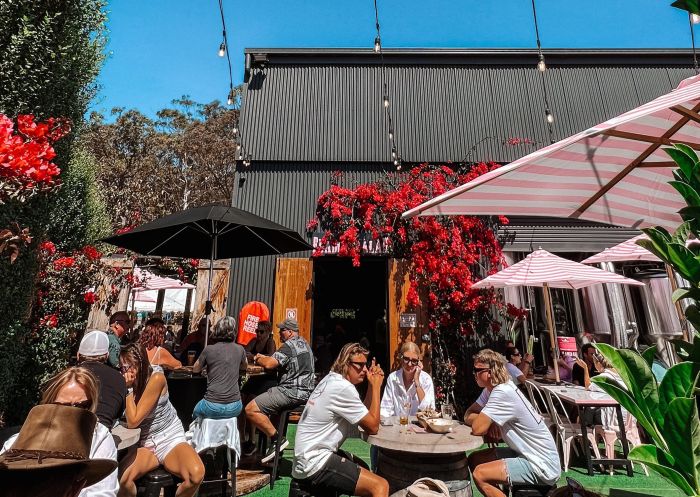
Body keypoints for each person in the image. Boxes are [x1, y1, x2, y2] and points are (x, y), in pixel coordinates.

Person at [2, 367, 119, 497]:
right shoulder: (23, 438)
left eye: (82, 406)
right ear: (49, 403)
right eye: (63, 406)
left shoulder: (99, 436)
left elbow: (103, 492)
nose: (72, 412)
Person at [291, 343, 389, 497]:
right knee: (380, 486)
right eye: (360, 365)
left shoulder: (331, 379)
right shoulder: (343, 388)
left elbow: (365, 415)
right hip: (315, 461)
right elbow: (373, 427)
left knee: (362, 466)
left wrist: (371, 385)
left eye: (366, 364)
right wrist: (377, 387)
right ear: (345, 364)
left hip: (305, 459)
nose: (365, 369)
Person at [465, 349, 560, 497]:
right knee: (475, 459)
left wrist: (489, 421)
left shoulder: (502, 392)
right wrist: (492, 421)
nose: (474, 373)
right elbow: (468, 414)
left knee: (480, 474)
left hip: (541, 464)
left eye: (477, 370)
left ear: (490, 372)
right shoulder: (491, 389)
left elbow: (478, 429)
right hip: (524, 452)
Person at [118, 343, 204, 497]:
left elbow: (133, 421)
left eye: (129, 366)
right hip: (145, 442)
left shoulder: (156, 378)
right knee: (123, 480)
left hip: (169, 437)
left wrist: (128, 389)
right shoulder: (126, 381)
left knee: (196, 475)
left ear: (142, 364)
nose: (126, 371)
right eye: (122, 367)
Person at [245, 318, 315, 463]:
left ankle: (277, 440)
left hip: (290, 391)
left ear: (290, 332)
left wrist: (258, 357)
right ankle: (274, 455)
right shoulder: (305, 344)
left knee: (250, 409)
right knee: (273, 410)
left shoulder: (289, 346)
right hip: (305, 393)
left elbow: (270, 364)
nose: (279, 332)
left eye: (282, 330)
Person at [192, 316, 247, 419]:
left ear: (217, 330)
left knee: (194, 413)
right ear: (234, 331)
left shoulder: (209, 349)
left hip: (211, 405)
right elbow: (245, 366)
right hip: (235, 406)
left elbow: (196, 369)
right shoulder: (240, 349)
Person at [240, 320, 278, 455]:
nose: (258, 334)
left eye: (261, 332)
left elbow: (271, 357)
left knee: (250, 402)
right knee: (241, 399)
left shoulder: (270, 342)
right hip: (255, 377)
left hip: (267, 379)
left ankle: (252, 440)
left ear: (268, 332)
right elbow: (244, 350)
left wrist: (255, 356)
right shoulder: (254, 341)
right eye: (257, 331)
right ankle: (242, 438)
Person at [77, 330, 127, 429]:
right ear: (107, 355)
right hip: (103, 435)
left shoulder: (69, 376)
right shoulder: (119, 378)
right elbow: (118, 414)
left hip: (71, 432)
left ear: (78, 355)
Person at [380, 341, 435, 417]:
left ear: (418, 362)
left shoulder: (426, 379)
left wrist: (417, 382)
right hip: (398, 425)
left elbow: (429, 410)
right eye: (406, 359)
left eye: (414, 361)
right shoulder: (392, 378)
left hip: (419, 426)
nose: (409, 364)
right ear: (401, 358)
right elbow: (385, 409)